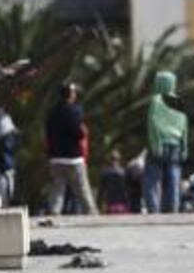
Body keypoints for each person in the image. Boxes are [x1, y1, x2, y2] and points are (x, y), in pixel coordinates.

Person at [45, 83, 97, 215]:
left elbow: (48, 135)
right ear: (71, 95)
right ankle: (91, 213)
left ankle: (53, 212)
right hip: (73, 159)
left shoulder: (52, 112)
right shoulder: (75, 111)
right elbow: (79, 133)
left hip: (56, 158)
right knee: (82, 189)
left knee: (57, 189)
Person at [144, 71, 188, 214]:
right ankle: (172, 209)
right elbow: (185, 127)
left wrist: (155, 143)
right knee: (174, 178)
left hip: (160, 143)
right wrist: (184, 147)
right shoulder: (178, 101)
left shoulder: (156, 100)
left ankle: (153, 208)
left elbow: (153, 124)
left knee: (152, 179)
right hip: (176, 144)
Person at [99, 150, 131, 214]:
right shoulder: (124, 172)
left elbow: (101, 190)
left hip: (110, 204)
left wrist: (99, 203)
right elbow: (127, 190)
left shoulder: (105, 172)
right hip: (123, 204)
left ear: (110, 159)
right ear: (119, 159)